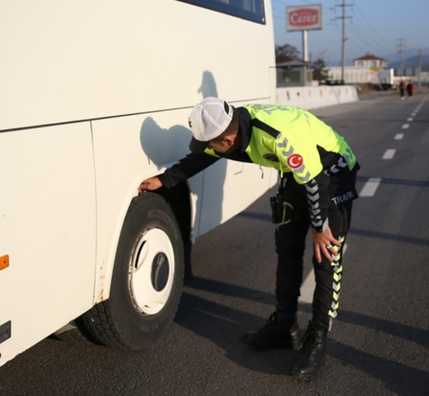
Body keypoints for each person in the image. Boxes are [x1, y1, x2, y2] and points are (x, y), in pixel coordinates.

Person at [138, 97, 359, 380]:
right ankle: (284, 324)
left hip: (333, 173)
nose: (209, 148)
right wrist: (166, 179)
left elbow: (315, 182)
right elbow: (206, 154)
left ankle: (317, 337)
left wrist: (320, 227)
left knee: (326, 257)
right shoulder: (231, 128)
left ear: (228, 139)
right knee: (287, 247)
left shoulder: (279, 138)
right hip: (297, 172)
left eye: (213, 143)